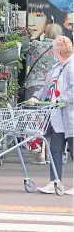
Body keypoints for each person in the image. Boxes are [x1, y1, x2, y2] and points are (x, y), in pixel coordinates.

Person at [28, 36, 73, 195]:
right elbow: (47, 88)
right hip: (56, 117)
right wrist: (36, 97)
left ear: (59, 51)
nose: (52, 51)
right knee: (55, 149)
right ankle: (54, 182)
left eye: (54, 49)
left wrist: (61, 100)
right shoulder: (55, 67)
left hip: (70, 117)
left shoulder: (71, 66)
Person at [24, 24, 63, 100]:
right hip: (51, 87)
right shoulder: (60, 49)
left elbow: (23, 47)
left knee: (30, 110)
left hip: (33, 84)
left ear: (45, 33)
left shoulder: (36, 45)